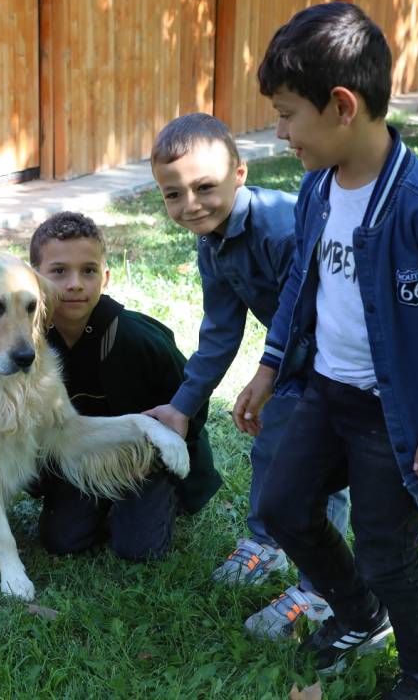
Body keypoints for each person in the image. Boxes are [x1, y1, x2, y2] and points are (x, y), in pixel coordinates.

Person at [235, 3, 418, 699]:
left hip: (400, 416)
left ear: (341, 106)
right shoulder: (317, 190)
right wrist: (272, 366)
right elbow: (303, 281)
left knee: (387, 551)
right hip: (329, 392)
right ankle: (360, 615)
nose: (279, 133)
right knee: (283, 506)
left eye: (286, 114)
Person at [144, 112, 350, 619]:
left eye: (204, 187)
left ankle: (323, 590)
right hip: (298, 363)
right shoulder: (211, 239)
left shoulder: (281, 231)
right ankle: (267, 542)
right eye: (173, 194)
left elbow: (307, 313)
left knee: (319, 467)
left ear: (240, 174)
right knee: (271, 451)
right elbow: (220, 331)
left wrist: (268, 375)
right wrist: (181, 406)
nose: (189, 205)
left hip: (342, 362)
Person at [28, 211, 222, 562]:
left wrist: (163, 453)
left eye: (88, 271)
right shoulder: (28, 342)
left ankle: (153, 499)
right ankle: (96, 501)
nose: (74, 284)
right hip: (80, 457)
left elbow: (190, 399)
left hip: (143, 458)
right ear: (34, 278)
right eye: (59, 271)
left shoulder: (138, 338)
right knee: (62, 540)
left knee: (139, 549)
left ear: (105, 277)